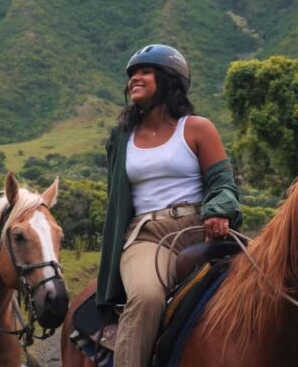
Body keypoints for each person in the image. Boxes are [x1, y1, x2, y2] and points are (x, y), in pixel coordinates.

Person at [96, 44, 242, 367]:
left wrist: (218, 210)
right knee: (147, 298)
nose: (135, 77)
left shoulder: (197, 128)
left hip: (201, 227)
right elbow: (118, 201)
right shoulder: (121, 138)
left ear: (169, 80)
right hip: (149, 236)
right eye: (132, 73)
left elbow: (223, 183)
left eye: (145, 71)